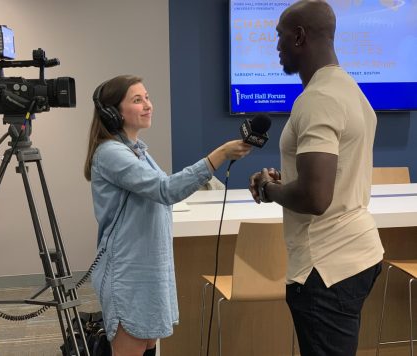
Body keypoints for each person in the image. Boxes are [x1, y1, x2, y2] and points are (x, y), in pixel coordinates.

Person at [248, 1, 384, 355]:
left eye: (279, 37)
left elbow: (314, 197)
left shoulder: (317, 99)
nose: (276, 47)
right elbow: (328, 178)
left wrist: (269, 188)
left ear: (299, 36)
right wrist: (286, 179)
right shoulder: (352, 92)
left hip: (324, 267)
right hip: (356, 254)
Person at [84, 74, 251, 356]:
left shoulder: (138, 152)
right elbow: (164, 190)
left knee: (148, 345)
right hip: (129, 272)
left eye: (147, 97)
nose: (148, 105)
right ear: (113, 113)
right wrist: (219, 155)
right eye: (137, 100)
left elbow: (161, 193)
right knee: (134, 345)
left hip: (147, 268)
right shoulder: (111, 153)